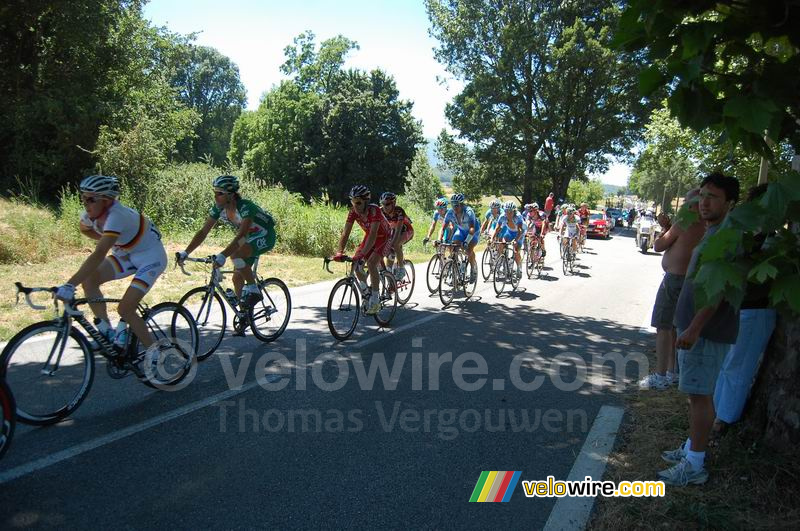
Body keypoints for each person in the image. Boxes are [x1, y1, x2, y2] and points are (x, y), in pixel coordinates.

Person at [659, 172, 740, 487]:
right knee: (696, 395)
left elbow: (718, 290)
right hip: (696, 329)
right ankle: (692, 450)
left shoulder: (726, 236)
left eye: (713, 197)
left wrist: (693, 328)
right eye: (702, 195)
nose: (704, 202)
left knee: (699, 396)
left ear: (730, 203)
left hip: (705, 332)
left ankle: (695, 465)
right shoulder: (714, 230)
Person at [58, 175, 167, 360]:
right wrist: (107, 238)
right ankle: (106, 331)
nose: (85, 203)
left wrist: (69, 285)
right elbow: (84, 229)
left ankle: (156, 355)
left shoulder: (117, 216)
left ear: (106, 200)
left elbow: (99, 253)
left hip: (151, 257)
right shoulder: (91, 215)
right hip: (127, 254)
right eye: (83, 197)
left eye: (91, 199)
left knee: (125, 309)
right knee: (89, 280)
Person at [713, 184, 776, 427]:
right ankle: (717, 415)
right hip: (741, 308)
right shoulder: (751, 235)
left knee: (737, 367)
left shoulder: (773, 240)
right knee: (727, 366)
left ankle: (724, 420)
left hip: (756, 309)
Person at [639, 189, 705, 390]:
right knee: (677, 327)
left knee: (663, 326)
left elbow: (659, 245)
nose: (684, 205)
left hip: (675, 279)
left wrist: (666, 227)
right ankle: (673, 371)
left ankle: (661, 375)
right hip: (692, 280)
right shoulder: (708, 225)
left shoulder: (684, 222)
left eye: (686, 202)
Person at [179, 175, 276, 310]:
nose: (215, 196)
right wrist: (186, 252)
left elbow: (241, 236)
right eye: (215, 192)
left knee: (235, 255)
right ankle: (244, 315)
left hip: (264, 235)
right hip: (248, 238)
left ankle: (254, 290)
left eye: (220, 193)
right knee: (237, 278)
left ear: (230, 195)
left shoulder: (246, 207)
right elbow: (203, 232)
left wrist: (223, 255)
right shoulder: (219, 208)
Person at [334, 185, 391, 315]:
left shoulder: (374, 210)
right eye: (353, 202)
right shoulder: (353, 212)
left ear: (366, 201)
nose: (355, 206)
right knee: (356, 264)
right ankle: (366, 292)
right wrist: (339, 251)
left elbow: (373, 235)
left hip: (384, 237)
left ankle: (375, 300)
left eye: (358, 202)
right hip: (370, 236)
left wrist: (362, 255)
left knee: (371, 263)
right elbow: (345, 233)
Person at [443, 193, 480, 282]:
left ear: (462, 204)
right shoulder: (450, 213)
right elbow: (443, 227)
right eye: (452, 205)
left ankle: (473, 268)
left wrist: (467, 241)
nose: (454, 207)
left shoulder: (468, 212)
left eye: (456, 205)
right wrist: (440, 239)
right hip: (461, 231)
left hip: (473, 233)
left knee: (468, 250)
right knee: (453, 247)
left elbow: (472, 228)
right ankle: (456, 265)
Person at [380, 191, 413, 280]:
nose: (385, 207)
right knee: (390, 254)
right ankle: (391, 281)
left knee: (395, 244)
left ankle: (401, 268)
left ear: (393, 203)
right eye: (383, 204)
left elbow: (398, 231)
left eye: (387, 204)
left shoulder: (399, 211)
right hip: (393, 231)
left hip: (406, 230)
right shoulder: (381, 211)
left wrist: (391, 244)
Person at [493, 201, 525, 278]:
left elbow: (520, 231)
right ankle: (502, 259)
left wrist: (516, 240)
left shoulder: (518, 216)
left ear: (514, 211)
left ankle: (519, 267)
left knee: (516, 251)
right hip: (510, 232)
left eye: (510, 211)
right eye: (506, 211)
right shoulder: (502, 216)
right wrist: (492, 238)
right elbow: (497, 228)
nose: (508, 213)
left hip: (519, 233)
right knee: (501, 243)